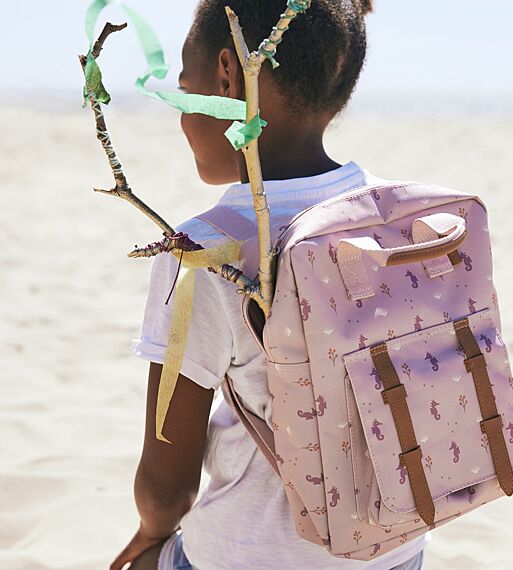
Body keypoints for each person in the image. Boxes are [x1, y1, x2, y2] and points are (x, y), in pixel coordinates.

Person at [111, 1, 427, 568]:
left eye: (184, 88)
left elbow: (167, 486)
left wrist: (148, 537)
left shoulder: (204, 249)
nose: (181, 115)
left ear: (228, 77)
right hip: (397, 548)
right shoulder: (400, 215)